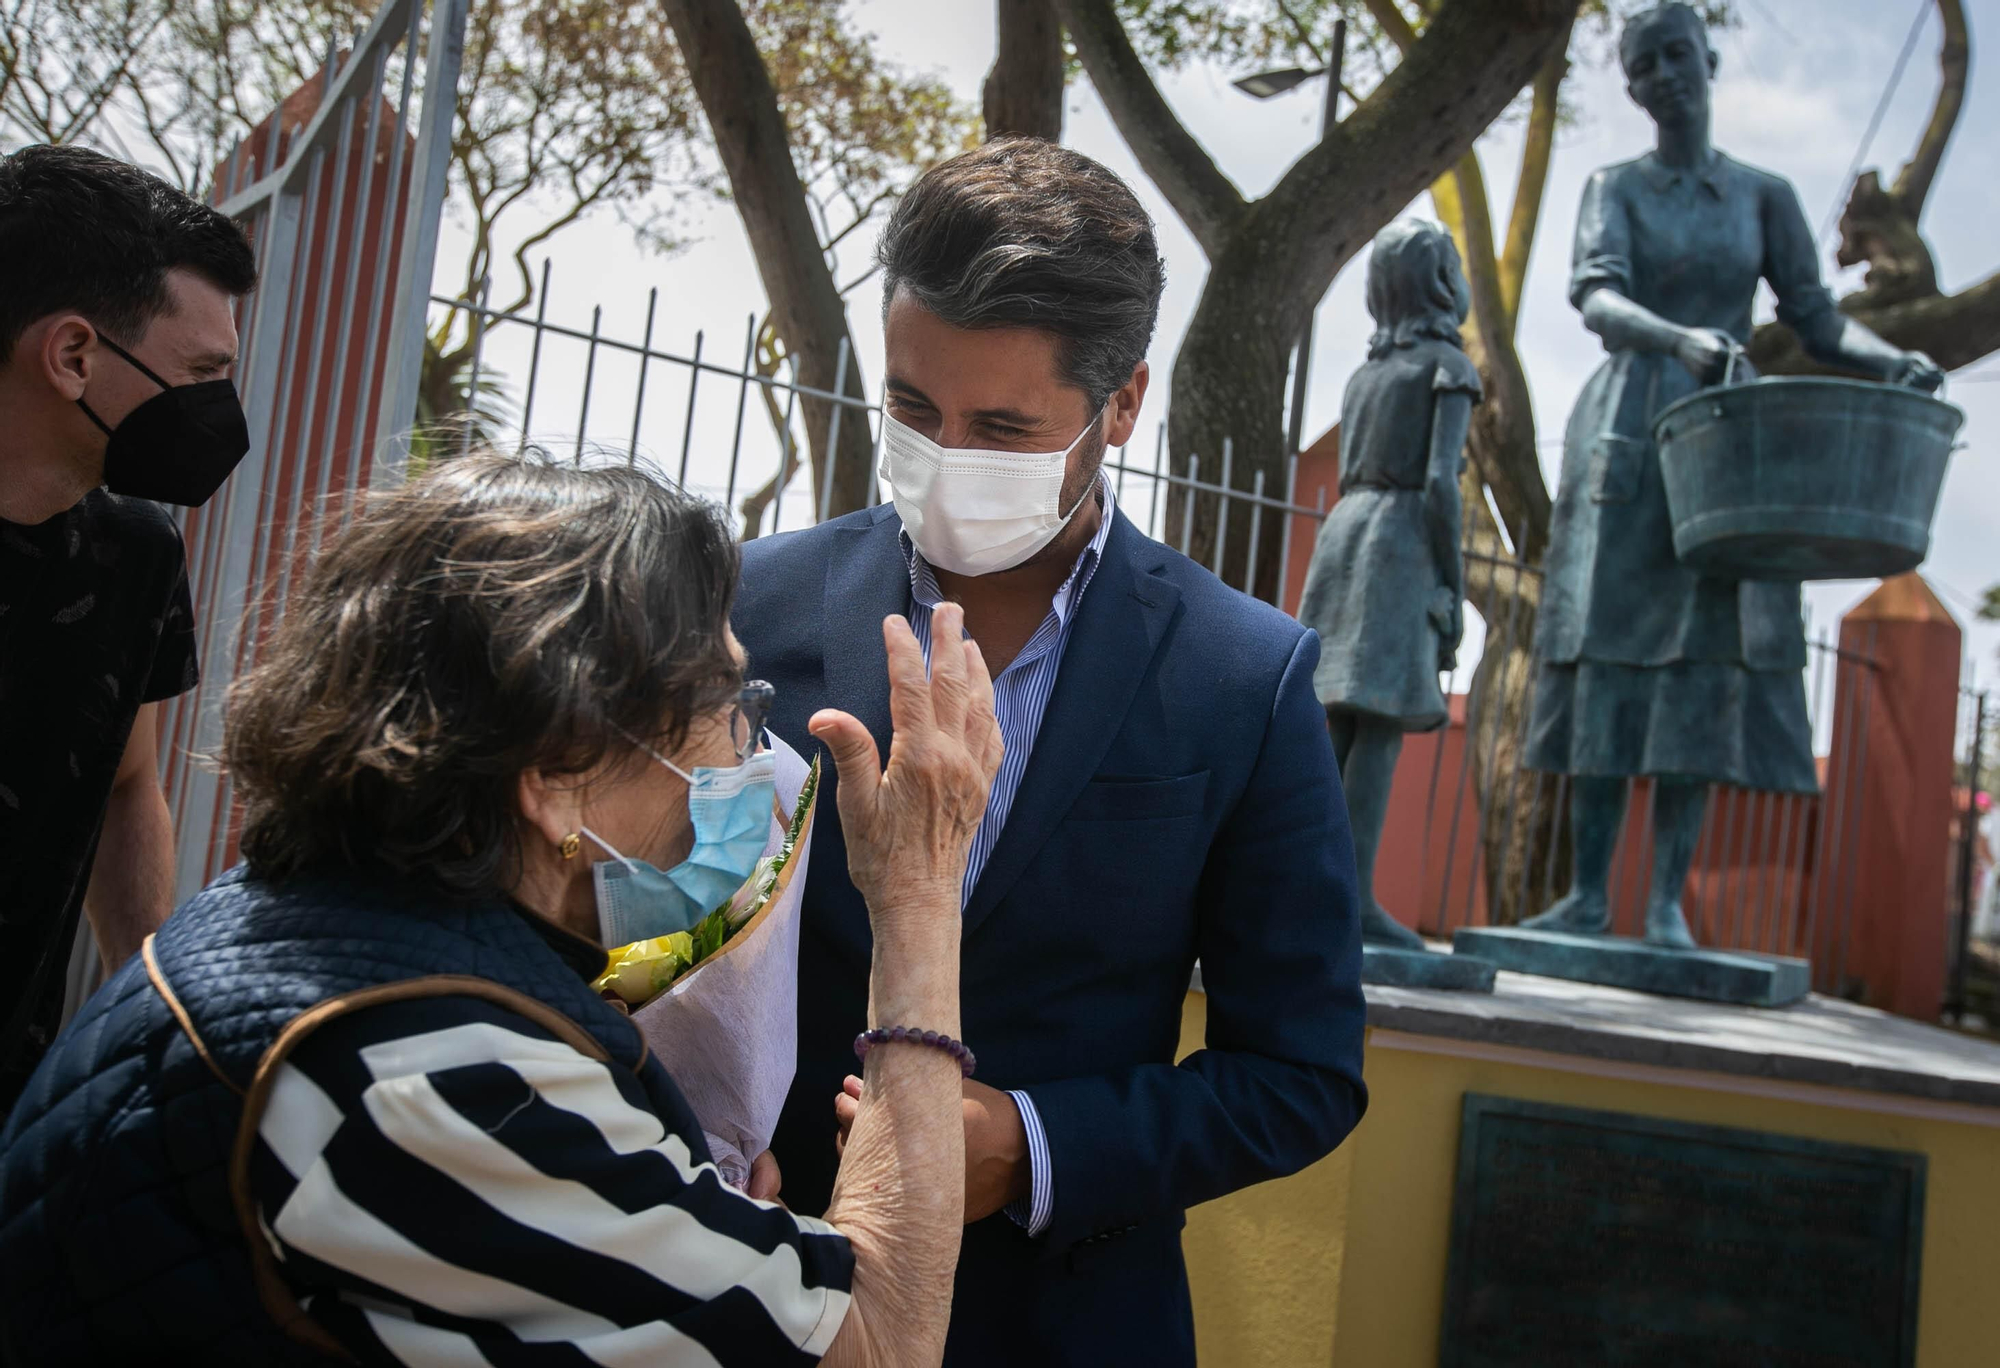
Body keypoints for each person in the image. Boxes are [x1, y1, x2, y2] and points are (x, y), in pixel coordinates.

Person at [0, 454, 1003, 1367]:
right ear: (559, 774)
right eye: (723, 708)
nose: (746, 754)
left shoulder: (310, 929)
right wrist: (915, 891)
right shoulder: (424, 1074)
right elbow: (878, 1340)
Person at [735, 137, 1367, 1366]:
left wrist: (1029, 1145)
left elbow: (1300, 1076)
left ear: (1121, 404)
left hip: (1063, 1325)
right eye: (913, 408)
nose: (945, 453)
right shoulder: (747, 608)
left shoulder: (1241, 677)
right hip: (746, 1294)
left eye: (1004, 426)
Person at [1522, 3, 1944, 949]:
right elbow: (1594, 290)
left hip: (1728, 442)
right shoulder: (1615, 185)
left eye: (1678, 54)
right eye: (1645, 65)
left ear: (1705, 60)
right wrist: (1679, 339)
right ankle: (1588, 898)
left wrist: (1892, 361)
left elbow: (1819, 318)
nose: (1666, 74)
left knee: (1705, 667)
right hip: (1632, 422)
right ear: (1632, 88)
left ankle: (1664, 902)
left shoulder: (1763, 194)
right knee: (1609, 655)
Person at [0, 143, 258, 1111]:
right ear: (74, 356)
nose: (218, 410)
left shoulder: (135, 555)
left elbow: (126, 786)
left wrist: (144, 1033)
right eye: (200, 372)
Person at [1296, 219, 1480, 953]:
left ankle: (1314, 896)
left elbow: (1348, 473)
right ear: (1442, 282)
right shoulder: (1447, 368)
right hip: (1400, 541)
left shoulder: (1365, 374)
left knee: (1339, 723)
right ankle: (1355, 902)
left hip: (1347, 533)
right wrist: (1454, 583)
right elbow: (1441, 481)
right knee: (1377, 728)